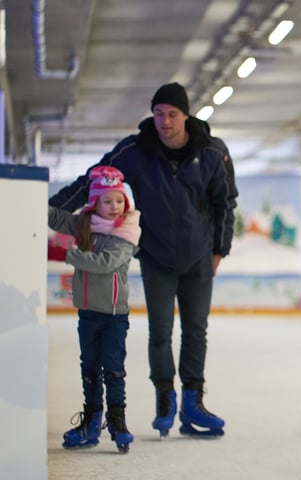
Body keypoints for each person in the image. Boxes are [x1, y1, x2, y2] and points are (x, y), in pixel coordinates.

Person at [49, 82, 238, 438]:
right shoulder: (135, 150)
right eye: (158, 113)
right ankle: (165, 400)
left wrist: (219, 251)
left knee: (196, 331)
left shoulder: (213, 152)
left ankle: (193, 402)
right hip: (156, 257)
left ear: (185, 116)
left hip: (199, 259)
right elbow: (92, 180)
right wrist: (43, 207)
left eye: (172, 114)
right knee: (160, 332)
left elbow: (225, 202)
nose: (164, 121)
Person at [48, 166, 141, 453]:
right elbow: (53, 217)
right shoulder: (85, 224)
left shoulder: (126, 232)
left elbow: (105, 264)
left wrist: (64, 254)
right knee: (89, 368)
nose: (114, 207)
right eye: (107, 201)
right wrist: (27, 195)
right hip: (87, 312)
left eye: (119, 201)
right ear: (95, 203)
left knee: (112, 370)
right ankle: (91, 421)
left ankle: (117, 420)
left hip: (114, 315)